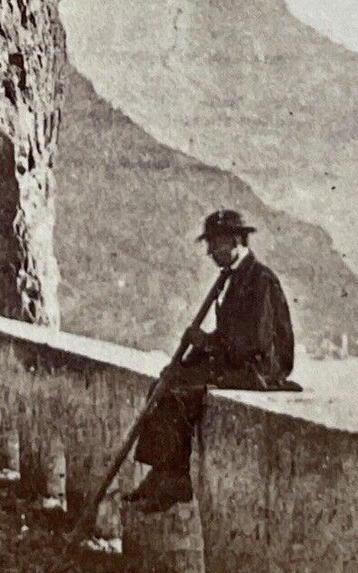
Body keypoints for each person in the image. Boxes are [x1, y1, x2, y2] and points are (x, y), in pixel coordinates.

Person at [126, 209, 296, 511]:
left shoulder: (260, 279)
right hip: (237, 361)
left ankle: (175, 479)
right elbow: (230, 334)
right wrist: (195, 353)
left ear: (235, 240)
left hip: (258, 370)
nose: (210, 252)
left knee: (181, 393)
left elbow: (253, 342)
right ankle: (162, 472)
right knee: (165, 381)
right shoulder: (234, 277)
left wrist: (206, 342)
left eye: (215, 244)